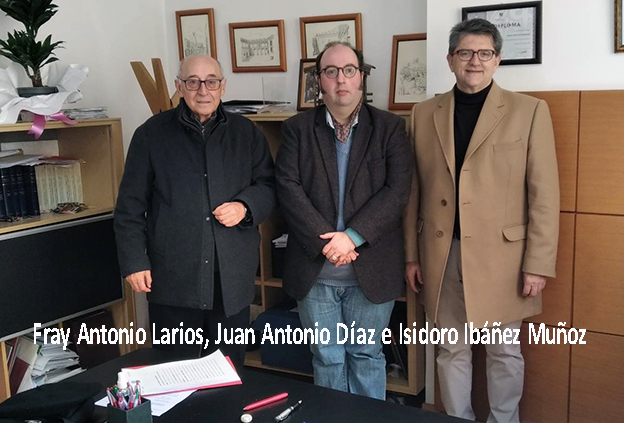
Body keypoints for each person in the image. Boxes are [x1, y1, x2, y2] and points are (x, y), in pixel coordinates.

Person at [404, 19, 559, 423]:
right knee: (450, 349)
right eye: (466, 53)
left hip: (503, 260)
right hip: (442, 254)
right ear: (451, 60)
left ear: (497, 60)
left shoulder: (529, 111)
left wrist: (538, 264)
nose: (475, 61)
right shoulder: (423, 113)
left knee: (504, 351)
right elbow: (412, 193)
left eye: (484, 53)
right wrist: (411, 256)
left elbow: (544, 195)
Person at [114, 55, 276, 368]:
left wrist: (245, 206)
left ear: (222, 86)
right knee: (175, 375)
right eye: (192, 82)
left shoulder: (247, 134)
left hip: (231, 281)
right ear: (179, 87)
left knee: (227, 374)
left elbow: (269, 187)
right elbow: (129, 207)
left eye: (211, 81)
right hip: (173, 279)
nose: (203, 90)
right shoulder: (150, 135)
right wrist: (134, 262)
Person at [275, 42, 414, 400]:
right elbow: (288, 187)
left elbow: (397, 191)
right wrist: (327, 243)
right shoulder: (296, 129)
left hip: (371, 268)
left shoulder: (390, 128)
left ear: (361, 77)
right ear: (318, 80)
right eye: (331, 71)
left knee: (366, 356)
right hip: (315, 271)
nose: (341, 80)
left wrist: (351, 237)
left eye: (349, 70)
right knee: (327, 359)